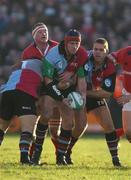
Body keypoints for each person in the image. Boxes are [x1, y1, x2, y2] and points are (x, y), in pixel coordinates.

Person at [0, 22, 58, 165]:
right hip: (24, 91)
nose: (44, 33)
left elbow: (19, 68)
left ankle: (30, 156)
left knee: (2, 126)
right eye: (40, 31)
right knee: (28, 126)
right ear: (33, 36)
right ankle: (25, 159)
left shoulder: (54, 48)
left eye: (45, 30)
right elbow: (46, 79)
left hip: (8, 90)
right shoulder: (32, 55)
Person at [31, 29, 88, 165]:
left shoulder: (81, 54)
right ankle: (36, 152)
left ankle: (60, 157)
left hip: (68, 88)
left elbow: (81, 80)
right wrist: (62, 97)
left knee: (69, 122)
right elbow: (48, 82)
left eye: (77, 43)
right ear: (66, 43)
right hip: (51, 87)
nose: (74, 46)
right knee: (46, 114)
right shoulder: (52, 55)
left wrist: (83, 96)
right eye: (72, 43)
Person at [82, 38, 121, 167]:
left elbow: (107, 93)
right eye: (95, 49)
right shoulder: (84, 58)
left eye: (101, 50)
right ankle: (65, 153)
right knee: (79, 127)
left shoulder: (110, 66)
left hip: (90, 94)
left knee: (110, 127)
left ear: (106, 52)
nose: (97, 52)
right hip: (78, 94)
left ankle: (116, 160)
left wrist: (86, 93)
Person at [110, 46, 131, 143]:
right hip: (127, 93)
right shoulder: (127, 51)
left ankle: (114, 136)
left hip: (128, 96)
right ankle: (115, 136)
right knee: (129, 132)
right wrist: (111, 59)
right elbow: (114, 56)